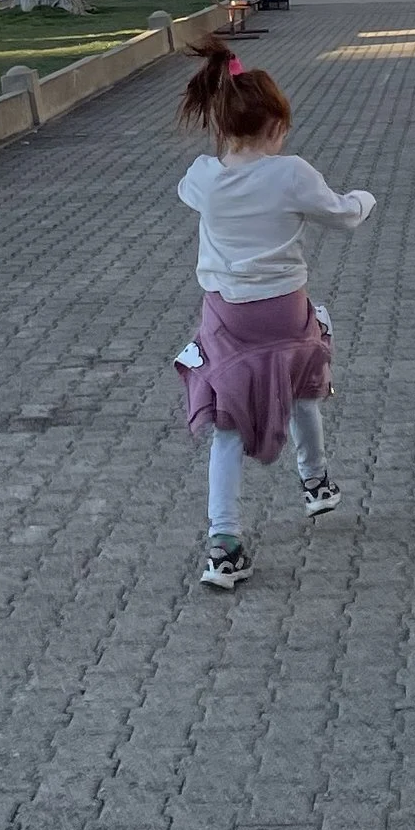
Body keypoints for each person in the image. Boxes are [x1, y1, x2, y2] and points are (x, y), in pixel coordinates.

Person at [174, 41, 376, 591]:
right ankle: (315, 481)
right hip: (286, 311)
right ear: (275, 127)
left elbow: (188, 189)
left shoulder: (205, 176)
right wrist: (364, 198)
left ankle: (224, 543)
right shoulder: (290, 173)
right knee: (303, 385)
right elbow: (343, 215)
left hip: (228, 318)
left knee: (226, 424)